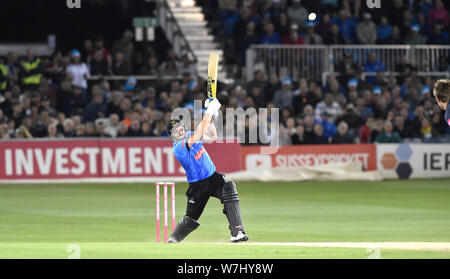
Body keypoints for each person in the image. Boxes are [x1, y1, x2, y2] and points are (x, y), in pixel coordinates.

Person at [166, 98, 248, 243]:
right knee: (192, 217)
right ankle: (175, 237)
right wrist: (209, 112)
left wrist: (212, 116)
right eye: (175, 131)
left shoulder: (189, 134)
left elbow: (211, 137)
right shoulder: (179, 147)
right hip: (197, 185)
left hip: (212, 177)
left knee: (229, 189)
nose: (179, 131)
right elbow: (199, 132)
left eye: (180, 128)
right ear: (172, 136)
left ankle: (237, 232)